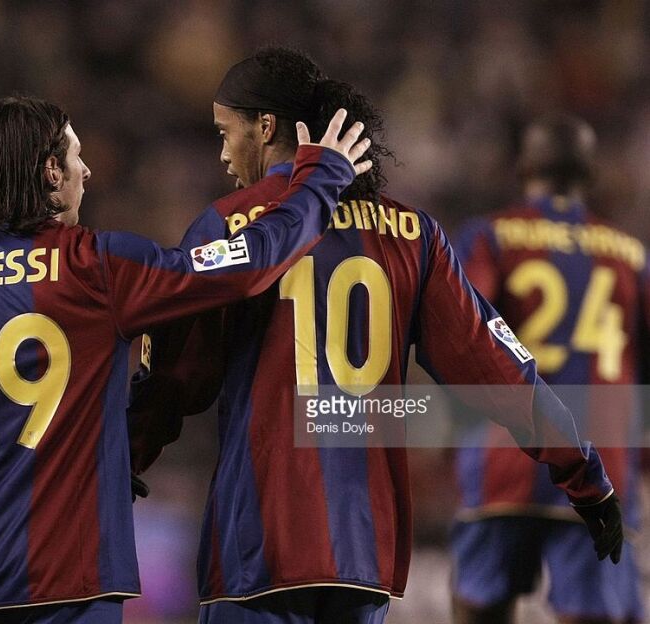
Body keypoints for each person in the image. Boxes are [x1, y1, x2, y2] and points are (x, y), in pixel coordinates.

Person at [0, 94, 374, 623]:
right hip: (71, 582)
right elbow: (243, 264)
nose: (87, 170)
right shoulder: (99, 267)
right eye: (76, 155)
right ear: (51, 173)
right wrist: (320, 180)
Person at [127, 48, 623, 624]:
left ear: (265, 128)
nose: (222, 153)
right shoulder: (413, 236)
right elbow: (500, 369)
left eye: (225, 132)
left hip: (258, 547)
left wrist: (127, 456)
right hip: (363, 554)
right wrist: (583, 472)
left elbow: (175, 374)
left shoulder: (229, 225)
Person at [450, 114, 645, 624]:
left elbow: (461, 328)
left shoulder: (489, 236)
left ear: (523, 167)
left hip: (504, 452)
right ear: (591, 174)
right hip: (602, 460)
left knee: (479, 605)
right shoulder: (630, 254)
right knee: (594, 613)